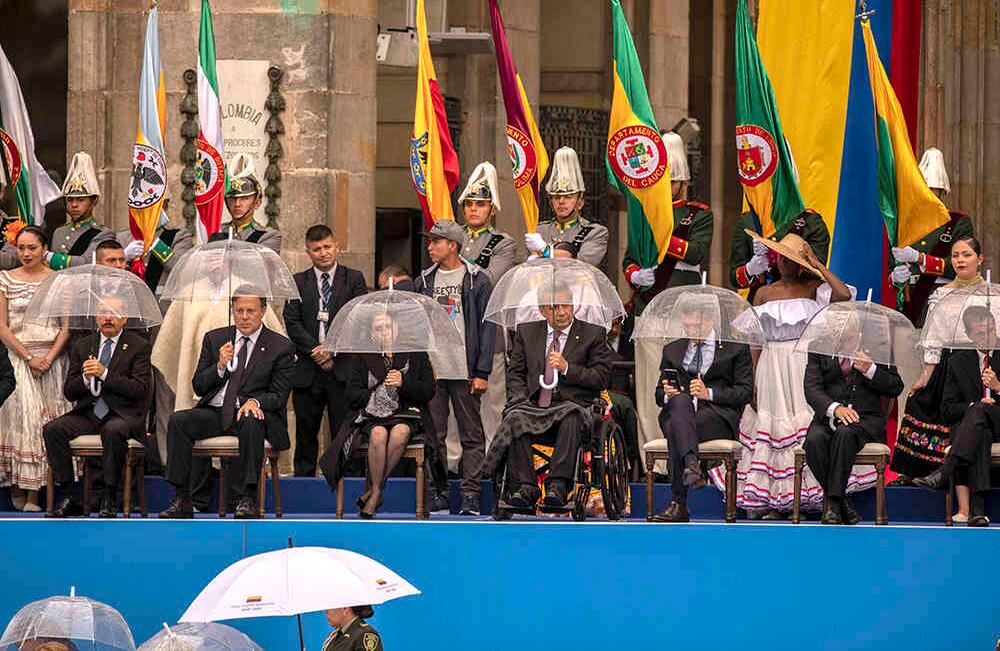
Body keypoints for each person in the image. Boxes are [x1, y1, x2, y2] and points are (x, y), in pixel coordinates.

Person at [712, 230, 854, 517]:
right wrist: (751, 377)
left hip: (803, 361)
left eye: (791, 260)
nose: (784, 264)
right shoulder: (764, 293)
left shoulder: (814, 286)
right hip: (771, 364)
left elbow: (844, 295)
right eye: (781, 259)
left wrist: (818, 265)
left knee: (803, 427)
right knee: (773, 427)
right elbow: (755, 340)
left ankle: (810, 497)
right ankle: (776, 502)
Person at [159, 287, 295, 518]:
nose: (244, 316)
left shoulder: (280, 346)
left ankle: (247, 498)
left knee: (250, 418)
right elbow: (199, 386)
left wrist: (254, 401)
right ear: (232, 311)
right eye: (239, 310)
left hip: (254, 415)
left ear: (262, 312)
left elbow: (279, 395)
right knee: (179, 421)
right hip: (217, 411)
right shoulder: (216, 339)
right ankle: (182, 497)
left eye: (250, 311)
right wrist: (220, 366)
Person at [485, 282, 613, 509]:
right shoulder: (528, 331)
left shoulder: (593, 334)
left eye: (566, 305)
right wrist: (520, 398)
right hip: (535, 405)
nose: (562, 312)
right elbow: (515, 373)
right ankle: (526, 487)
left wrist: (566, 368)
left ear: (574, 306)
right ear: (543, 311)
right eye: (555, 307)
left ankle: (558, 486)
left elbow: (600, 377)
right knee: (515, 416)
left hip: (573, 404)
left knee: (571, 416)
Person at [890, 236, 985, 519]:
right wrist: (925, 375)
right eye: (955, 255)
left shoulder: (991, 293)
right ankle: (917, 471)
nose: (960, 260)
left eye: (966, 255)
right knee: (922, 399)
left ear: (980, 258)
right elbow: (935, 337)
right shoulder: (942, 294)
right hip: (948, 362)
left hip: (979, 361)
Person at [43, 297, 151, 518]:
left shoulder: (139, 345)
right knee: (53, 429)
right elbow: (69, 391)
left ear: (125, 318)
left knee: (112, 431)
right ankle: (68, 495)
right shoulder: (83, 345)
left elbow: (138, 390)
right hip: (90, 412)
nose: (107, 318)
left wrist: (105, 374)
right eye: (102, 313)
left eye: (113, 312)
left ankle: (109, 497)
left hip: (123, 413)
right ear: (95, 317)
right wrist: (85, 377)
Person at [415, 220, 495, 516]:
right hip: (434, 370)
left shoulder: (477, 279)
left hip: (464, 369)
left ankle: (471, 494)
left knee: (471, 434)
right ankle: (439, 492)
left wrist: (482, 371)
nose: (430, 247)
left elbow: (488, 327)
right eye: (430, 241)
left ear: (453, 245)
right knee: (434, 433)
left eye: (436, 242)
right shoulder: (424, 280)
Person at [651, 298, 753, 522]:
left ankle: (679, 502)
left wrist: (710, 393)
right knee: (678, 404)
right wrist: (667, 393)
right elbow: (659, 394)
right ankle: (692, 465)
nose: (690, 331)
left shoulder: (735, 348)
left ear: (710, 321)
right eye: (686, 326)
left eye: (695, 326)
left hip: (715, 416)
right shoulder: (673, 349)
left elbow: (745, 392)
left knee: (677, 429)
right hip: (679, 414)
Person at [284, 224, 367, 477]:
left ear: (336, 247)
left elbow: (358, 317)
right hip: (308, 370)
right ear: (308, 252)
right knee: (306, 432)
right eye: (316, 249)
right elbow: (292, 321)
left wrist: (332, 349)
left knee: (344, 431)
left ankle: (346, 484)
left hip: (342, 369)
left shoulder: (353, 279)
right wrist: (316, 350)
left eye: (327, 247)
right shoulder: (297, 281)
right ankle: (304, 486)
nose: (323, 253)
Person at [0, 226, 70, 511]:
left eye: (32, 248)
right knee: (22, 422)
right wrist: (28, 358)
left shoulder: (59, 281)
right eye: (21, 248)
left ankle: (37, 494)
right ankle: (20, 486)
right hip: (18, 357)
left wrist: (48, 358)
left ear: (44, 249)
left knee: (45, 425)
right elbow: (2, 326)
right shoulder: (4, 279)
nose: (26, 253)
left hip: (51, 361)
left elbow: (65, 328)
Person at [914, 305, 1000, 526]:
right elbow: (947, 410)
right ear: (970, 335)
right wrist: (974, 405)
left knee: (977, 420)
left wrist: (998, 387)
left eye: (991, 331)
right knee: (979, 426)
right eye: (981, 333)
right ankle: (977, 511)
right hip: (977, 426)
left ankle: (945, 471)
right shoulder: (957, 362)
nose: (988, 337)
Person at [342, 313, 435, 518]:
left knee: (400, 432)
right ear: (373, 334)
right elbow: (351, 395)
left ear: (397, 329)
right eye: (379, 328)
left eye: (387, 327)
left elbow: (428, 391)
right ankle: (376, 491)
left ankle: (374, 492)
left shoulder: (415, 353)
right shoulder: (363, 356)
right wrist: (374, 390)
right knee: (378, 434)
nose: (384, 332)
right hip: (373, 415)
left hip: (406, 414)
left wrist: (405, 382)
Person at [456, 161, 516, 475]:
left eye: (480, 204)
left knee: (492, 403)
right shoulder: (453, 238)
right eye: (469, 204)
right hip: (456, 330)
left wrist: (457, 260)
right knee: (456, 407)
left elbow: (488, 280)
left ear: (491, 209)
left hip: (487, 329)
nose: (474, 210)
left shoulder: (502, 242)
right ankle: (455, 465)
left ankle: (491, 465)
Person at [804, 340, 904, 524]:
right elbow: (811, 389)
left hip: (864, 419)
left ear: (855, 320)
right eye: (834, 318)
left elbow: (896, 386)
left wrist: (871, 370)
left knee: (845, 434)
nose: (836, 324)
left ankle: (832, 504)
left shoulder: (878, 346)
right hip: (829, 416)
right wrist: (835, 409)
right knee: (814, 440)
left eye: (842, 317)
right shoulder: (818, 346)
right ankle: (841, 501)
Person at [623, 132, 713, 310]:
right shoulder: (645, 213)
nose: (664, 187)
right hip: (648, 301)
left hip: (683, 303)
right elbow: (630, 258)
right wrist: (635, 275)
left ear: (684, 183)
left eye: (671, 182)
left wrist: (658, 237)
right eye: (661, 181)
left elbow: (696, 253)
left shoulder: (698, 213)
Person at [890, 147, 975, 324]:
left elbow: (962, 266)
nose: (929, 195)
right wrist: (894, 277)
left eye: (934, 190)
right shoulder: (903, 223)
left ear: (942, 192)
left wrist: (921, 258)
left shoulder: (957, 222)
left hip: (941, 303)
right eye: (925, 190)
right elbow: (891, 264)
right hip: (907, 305)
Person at [527, 147, 609, 267]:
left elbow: (582, 264)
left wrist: (545, 251)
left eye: (568, 197)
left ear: (580, 203)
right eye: (556, 197)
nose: (561, 201)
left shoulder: (595, 233)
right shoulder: (539, 231)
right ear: (551, 202)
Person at [729, 207, 830, 303]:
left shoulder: (810, 220)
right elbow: (734, 278)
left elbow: (818, 272)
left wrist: (773, 257)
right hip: (761, 302)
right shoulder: (748, 221)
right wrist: (750, 269)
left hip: (798, 300)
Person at [45, 152, 115, 270]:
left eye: (81, 200)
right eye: (70, 200)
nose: (74, 205)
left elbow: (88, 263)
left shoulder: (103, 234)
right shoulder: (59, 232)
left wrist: (48, 257)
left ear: (93, 202)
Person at [116, 201, 195, 300]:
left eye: (155, 207)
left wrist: (154, 243)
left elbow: (181, 269)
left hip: (160, 305)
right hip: (128, 303)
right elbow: (109, 275)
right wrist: (124, 256)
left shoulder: (178, 236)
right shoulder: (122, 237)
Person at [223, 153, 281, 253]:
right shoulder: (217, 232)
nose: (237, 204)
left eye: (244, 198)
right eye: (232, 198)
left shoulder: (268, 236)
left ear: (257, 203)